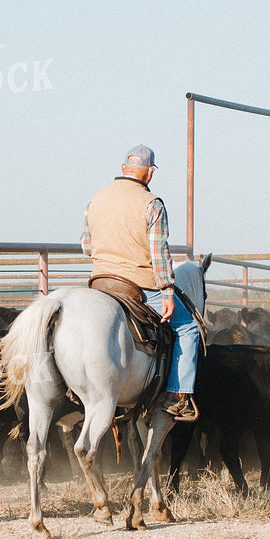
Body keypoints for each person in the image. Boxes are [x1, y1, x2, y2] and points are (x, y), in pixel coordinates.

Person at [81, 144, 201, 421]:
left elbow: (87, 246)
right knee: (187, 328)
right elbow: (159, 254)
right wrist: (168, 291)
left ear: (124, 169)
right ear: (149, 173)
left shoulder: (96, 199)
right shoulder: (152, 204)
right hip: (139, 285)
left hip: (100, 281)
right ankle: (177, 396)